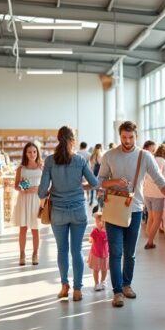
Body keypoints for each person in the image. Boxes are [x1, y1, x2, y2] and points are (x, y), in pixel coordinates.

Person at [99, 121, 165, 308]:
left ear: (137, 136)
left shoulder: (145, 156)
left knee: (130, 253)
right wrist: (115, 182)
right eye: (124, 137)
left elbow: (160, 180)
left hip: (135, 210)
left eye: (131, 137)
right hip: (114, 209)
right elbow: (100, 181)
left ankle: (127, 285)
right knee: (116, 252)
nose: (127, 141)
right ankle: (117, 292)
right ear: (119, 136)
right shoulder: (110, 155)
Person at [38, 126, 99, 302]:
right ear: (73, 140)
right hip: (78, 210)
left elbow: (41, 192)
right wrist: (80, 187)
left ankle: (65, 286)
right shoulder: (80, 160)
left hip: (58, 212)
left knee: (62, 250)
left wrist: (53, 190)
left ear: (58, 139)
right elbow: (94, 183)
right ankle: (78, 289)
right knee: (77, 250)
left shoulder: (50, 161)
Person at [12, 142, 44, 266]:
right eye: (29, 152)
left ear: (37, 153)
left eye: (34, 152)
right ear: (25, 153)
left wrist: (38, 188)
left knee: (35, 229)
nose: (32, 154)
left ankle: (35, 254)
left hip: (36, 200)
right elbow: (16, 185)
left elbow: (47, 184)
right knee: (23, 228)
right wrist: (24, 188)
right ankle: (22, 254)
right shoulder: (21, 168)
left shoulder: (42, 167)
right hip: (24, 199)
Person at [143, 143, 165, 249]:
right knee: (157, 219)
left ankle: (149, 236)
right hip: (157, 193)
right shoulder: (163, 162)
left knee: (150, 216)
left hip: (147, 192)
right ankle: (150, 242)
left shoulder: (152, 159)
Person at [88, 211, 109, 291]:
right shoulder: (95, 231)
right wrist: (91, 240)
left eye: (102, 222)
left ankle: (103, 281)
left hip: (105, 254)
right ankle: (96, 283)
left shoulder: (107, 231)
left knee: (104, 269)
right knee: (96, 269)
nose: (100, 224)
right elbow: (90, 239)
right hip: (96, 253)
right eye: (97, 222)